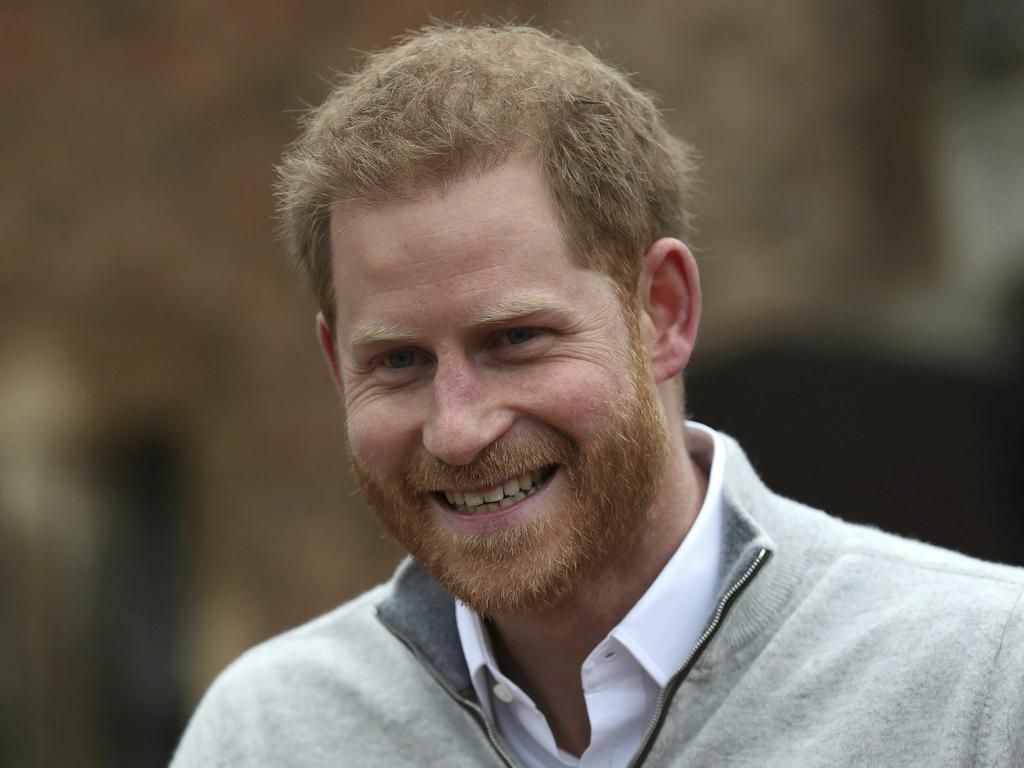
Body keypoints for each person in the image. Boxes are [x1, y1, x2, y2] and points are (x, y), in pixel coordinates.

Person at [172, 24, 1024, 767]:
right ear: (335, 366)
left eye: (514, 341)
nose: (458, 430)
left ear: (664, 312)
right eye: (398, 361)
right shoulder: (268, 735)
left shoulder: (983, 683)